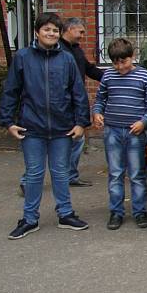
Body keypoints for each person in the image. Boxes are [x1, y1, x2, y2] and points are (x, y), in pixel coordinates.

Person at [0, 13, 91, 239]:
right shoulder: (23, 57)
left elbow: (78, 92)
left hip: (62, 127)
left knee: (61, 172)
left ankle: (66, 214)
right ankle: (29, 218)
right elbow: (11, 91)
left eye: (55, 30)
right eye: (46, 29)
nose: (51, 34)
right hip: (32, 127)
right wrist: (9, 122)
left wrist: (81, 122)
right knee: (34, 174)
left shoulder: (67, 58)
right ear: (37, 32)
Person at [93, 38, 147, 230]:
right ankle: (116, 212)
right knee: (115, 173)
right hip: (112, 131)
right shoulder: (108, 76)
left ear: (132, 57)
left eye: (124, 61)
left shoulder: (144, 76)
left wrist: (144, 122)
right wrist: (97, 112)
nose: (120, 66)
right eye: (115, 62)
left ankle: (140, 212)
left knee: (137, 174)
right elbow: (100, 99)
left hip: (135, 132)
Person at [58, 17, 104, 188]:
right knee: (50, 142)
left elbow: (89, 69)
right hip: (61, 103)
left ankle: (70, 175)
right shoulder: (57, 50)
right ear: (70, 29)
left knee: (77, 139)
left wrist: (111, 77)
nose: (83, 36)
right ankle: (28, 180)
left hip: (75, 101)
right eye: (81, 32)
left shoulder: (76, 50)